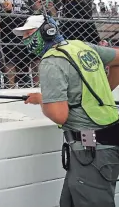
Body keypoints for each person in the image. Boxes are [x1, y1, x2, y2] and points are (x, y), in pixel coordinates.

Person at [13, 14, 119, 207]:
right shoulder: (81, 46)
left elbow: (59, 114)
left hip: (91, 150)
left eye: (29, 33)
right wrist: (102, 92)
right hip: (102, 144)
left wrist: (42, 100)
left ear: (47, 32)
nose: (25, 39)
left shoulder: (51, 61)